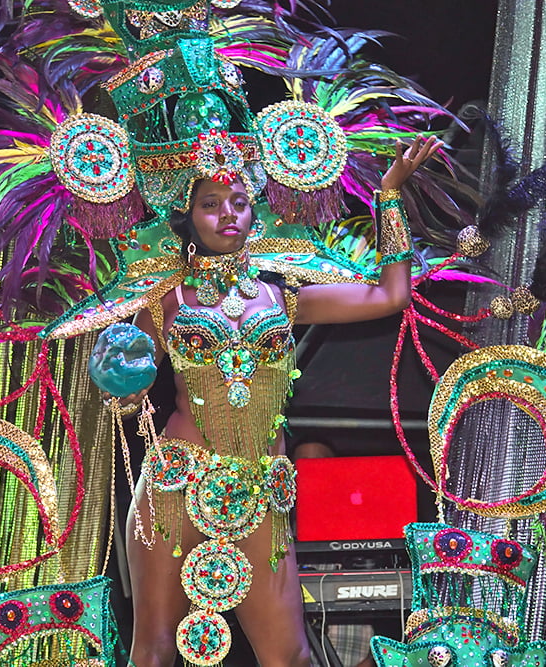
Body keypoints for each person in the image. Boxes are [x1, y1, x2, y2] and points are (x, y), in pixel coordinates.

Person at [113, 135, 442, 667]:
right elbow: (125, 388)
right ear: (188, 216)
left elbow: (390, 295)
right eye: (210, 204)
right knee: (152, 653)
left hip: (261, 489)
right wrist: (119, 383)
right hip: (176, 482)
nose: (227, 215)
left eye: (239, 202)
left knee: (290, 658)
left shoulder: (284, 298)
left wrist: (388, 195)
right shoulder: (163, 302)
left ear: (255, 213)